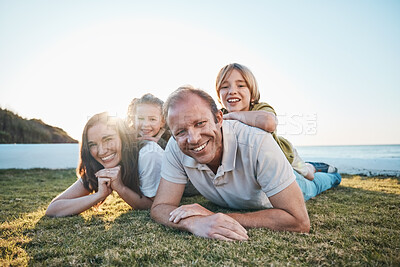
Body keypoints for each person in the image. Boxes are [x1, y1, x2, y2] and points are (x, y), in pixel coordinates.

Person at [151, 86, 313, 241]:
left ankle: (322, 170)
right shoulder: (176, 146)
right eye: (180, 132)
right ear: (173, 135)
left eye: (200, 123)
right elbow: (161, 207)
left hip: (294, 183)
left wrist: (213, 217)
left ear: (219, 119)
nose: (193, 138)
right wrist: (193, 222)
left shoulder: (257, 141)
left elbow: (299, 221)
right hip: (237, 196)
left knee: (319, 182)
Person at [215, 63, 338, 181]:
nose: (232, 91)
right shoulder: (220, 115)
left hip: (285, 155)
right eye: (225, 87)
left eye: (240, 86)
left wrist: (234, 115)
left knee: (309, 175)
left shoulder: (260, 108)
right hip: (254, 163)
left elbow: (269, 123)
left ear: (252, 93)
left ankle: (312, 166)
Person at [46, 112, 163, 217]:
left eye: (107, 139)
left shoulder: (148, 154)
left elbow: (156, 205)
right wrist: (98, 196)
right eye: (93, 145)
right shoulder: (99, 165)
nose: (101, 151)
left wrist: (120, 187)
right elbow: (53, 209)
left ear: (123, 137)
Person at [127, 93, 199, 197]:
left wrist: (160, 142)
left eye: (152, 119)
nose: (146, 124)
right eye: (141, 118)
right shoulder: (129, 139)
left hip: (186, 184)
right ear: (133, 119)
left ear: (162, 122)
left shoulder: (173, 136)